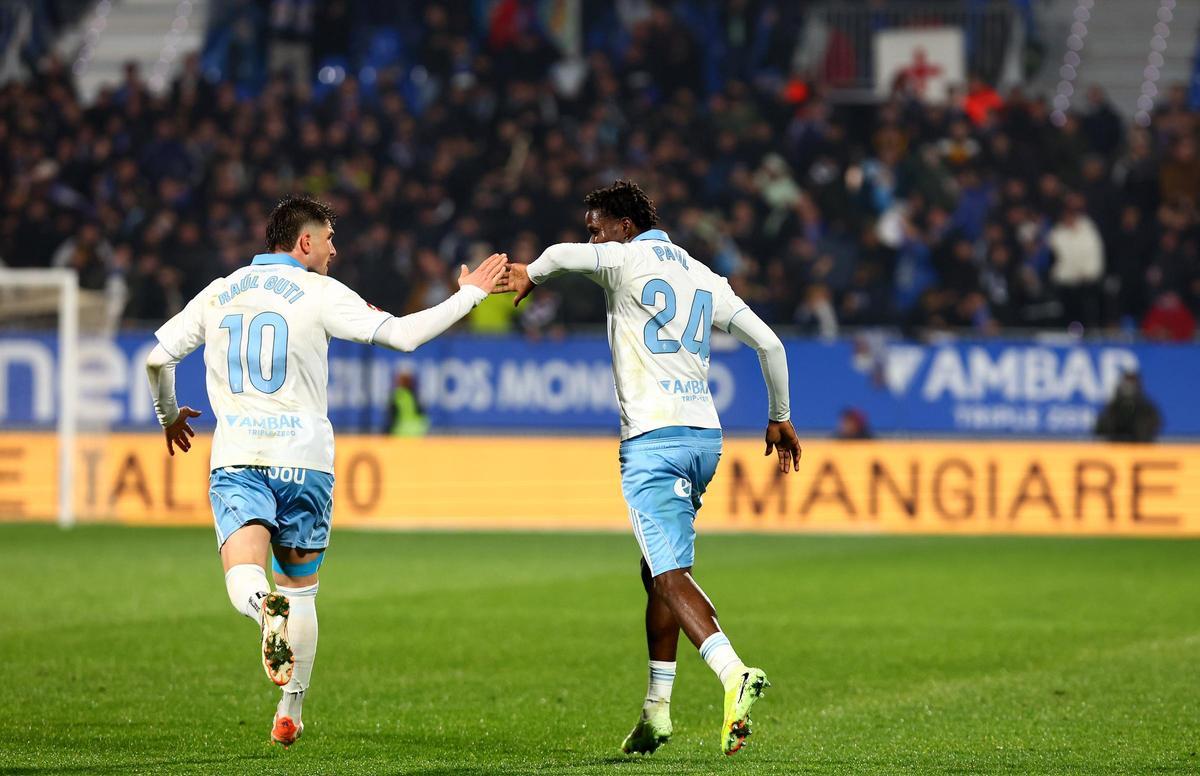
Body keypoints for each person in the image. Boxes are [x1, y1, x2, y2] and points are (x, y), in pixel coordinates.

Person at [144, 195, 506, 746]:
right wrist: (471, 294)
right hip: (306, 462)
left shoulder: (218, 291)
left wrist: (170, 417)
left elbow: (156, 359)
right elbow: (405, 337)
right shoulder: (319, 292)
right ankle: (290, 711)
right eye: (329, 239)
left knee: (246, 577)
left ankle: (261, 609)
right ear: (304, 242)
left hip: (240, 457)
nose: (335, 250)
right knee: (303, 594)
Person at [497, 180, 801, 757]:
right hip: (704, 439)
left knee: (667, 575)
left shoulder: (625, 258)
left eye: (597, 227)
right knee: (656, 569)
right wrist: (779, 417)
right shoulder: (706, 276)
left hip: (653, 440)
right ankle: (656, 710)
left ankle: (734, 673)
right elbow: (772, 346)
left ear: (625, 226)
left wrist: (531, 273)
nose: (593, 236)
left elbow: (561, 256)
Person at [1095, 371, 1162, 443]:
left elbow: (1156, 423)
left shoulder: (1145, 407)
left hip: (1140, 448)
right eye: (1127, 382)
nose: (1129, 386)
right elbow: (1099, 428)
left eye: (1132, 383)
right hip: (1115, 448)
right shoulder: (1113, 407)